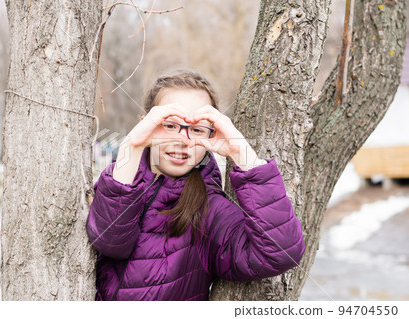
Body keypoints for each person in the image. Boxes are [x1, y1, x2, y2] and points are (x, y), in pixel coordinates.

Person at [86, 69, 305, 301]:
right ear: (146, 125)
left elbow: (282, 254)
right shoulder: (118, 181)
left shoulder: (209, 209)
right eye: (169, 125)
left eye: (197, 129)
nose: (183, 140)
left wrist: (241, 152)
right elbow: (109, 242)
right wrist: (131, 147)